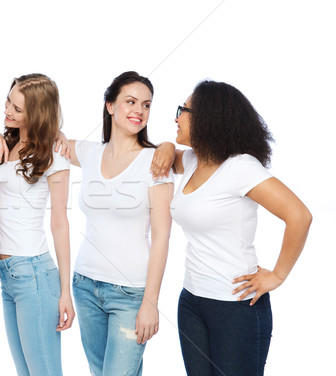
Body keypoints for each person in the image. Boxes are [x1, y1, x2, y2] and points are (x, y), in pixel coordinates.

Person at [160, 79, 312, 375]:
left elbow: (299, 216)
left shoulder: (240, 167)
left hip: (235, 308)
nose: (176, 117)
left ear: (207, 118)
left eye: (183, 110)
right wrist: (166, 146)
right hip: (191, 301)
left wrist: (278, 275)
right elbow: (167, 155)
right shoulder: (193, 160)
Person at [62, 71, 174, 375]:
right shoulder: (88, 152)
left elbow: (162, 236)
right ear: (110, 105)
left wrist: (151, 302)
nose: (139, 110)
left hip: (131, 293)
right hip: (85, 285)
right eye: (130, 101)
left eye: (147, 105)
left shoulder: (155, 163)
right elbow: (43, 136)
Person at [0, 73, 75, 375]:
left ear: (37, 114)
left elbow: (60, 222)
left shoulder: (54, 156)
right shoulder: (4, 145)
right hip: (5, 272)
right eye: (8, 101)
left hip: (33, 272)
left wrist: (65, 291)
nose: (8, 110)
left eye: (17, 109)